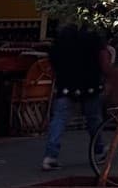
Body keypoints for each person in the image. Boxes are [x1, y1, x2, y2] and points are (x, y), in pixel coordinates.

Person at [40, 22, 108, 171]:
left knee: (59, 118)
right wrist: (106, 75)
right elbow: (103, 57)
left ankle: (50, 155)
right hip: (90, 82)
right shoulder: (93, 35)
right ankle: (99, 149)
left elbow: (53, 58)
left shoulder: (62, 37)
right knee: (93, 119)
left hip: (67, 82)